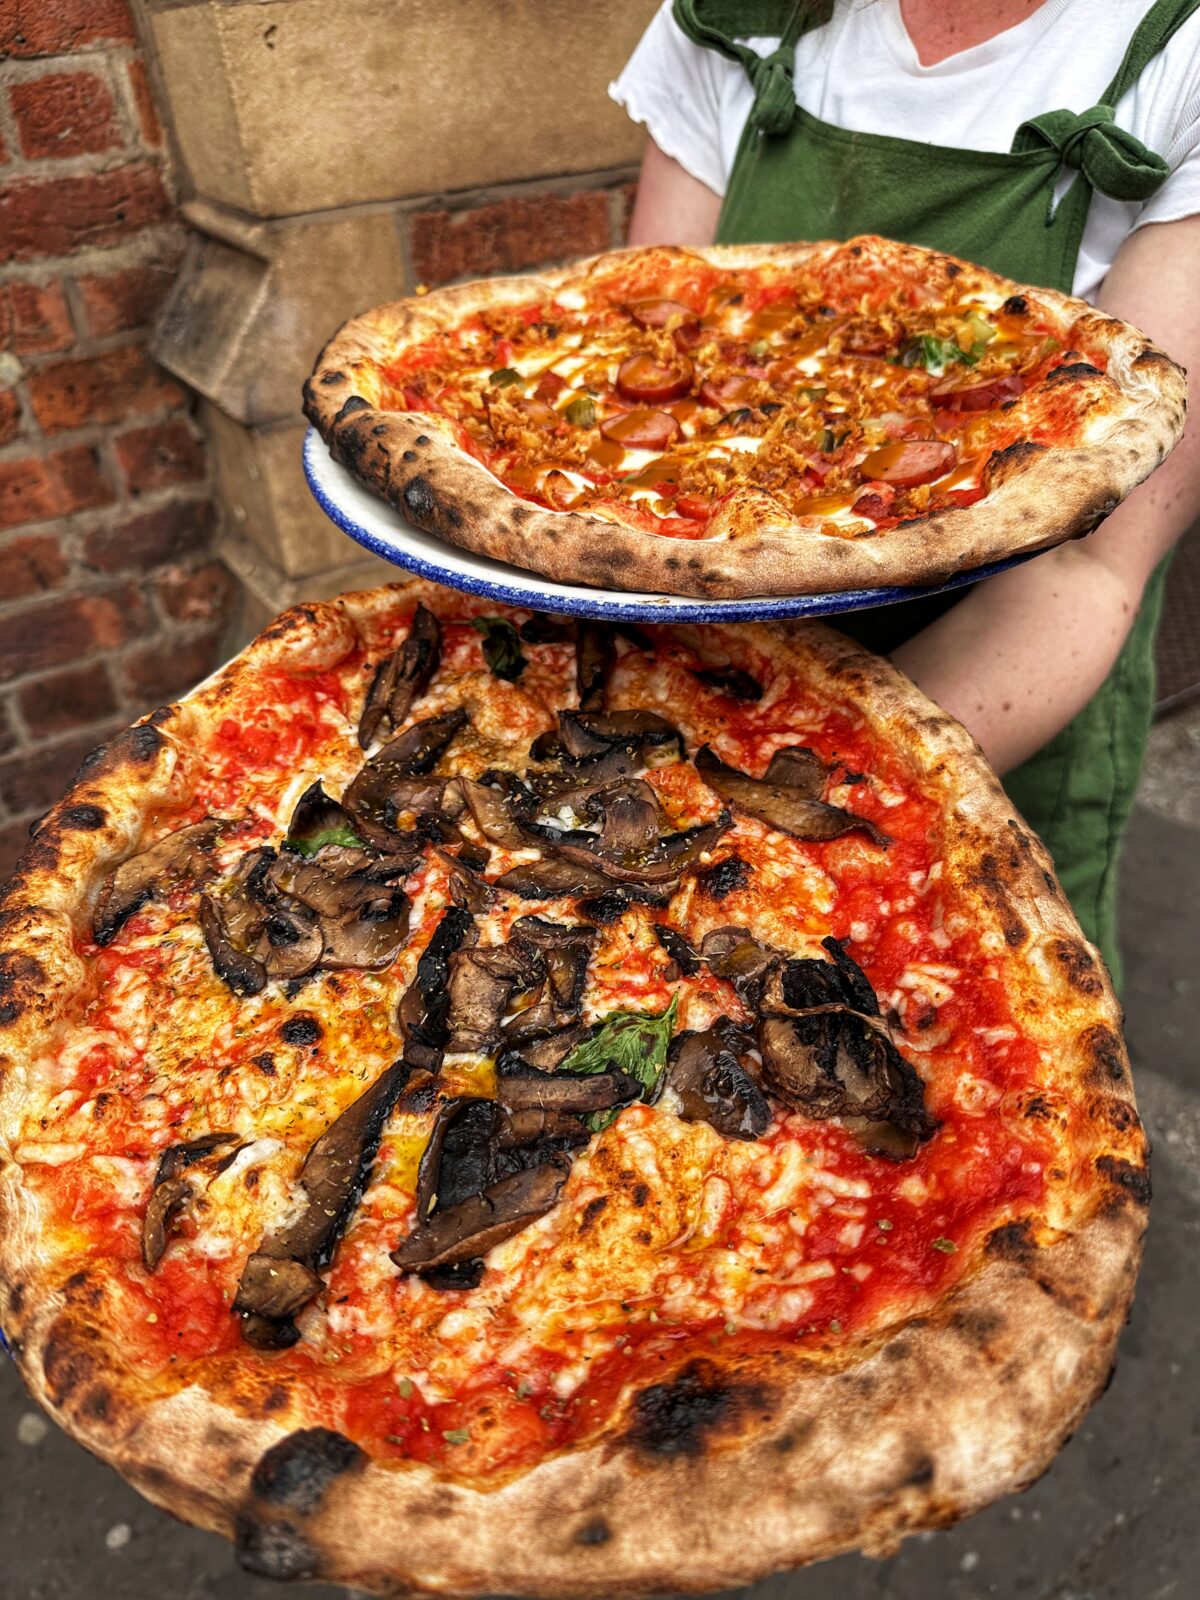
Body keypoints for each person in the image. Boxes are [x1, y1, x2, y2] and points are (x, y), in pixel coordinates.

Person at [610, 0, 1200, 985]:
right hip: (673, 702)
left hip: (980, 732)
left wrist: (764, 805)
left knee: (987, 1041)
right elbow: (632, 383)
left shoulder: (1178, 50)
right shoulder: (734, 15)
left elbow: (1092, 566)